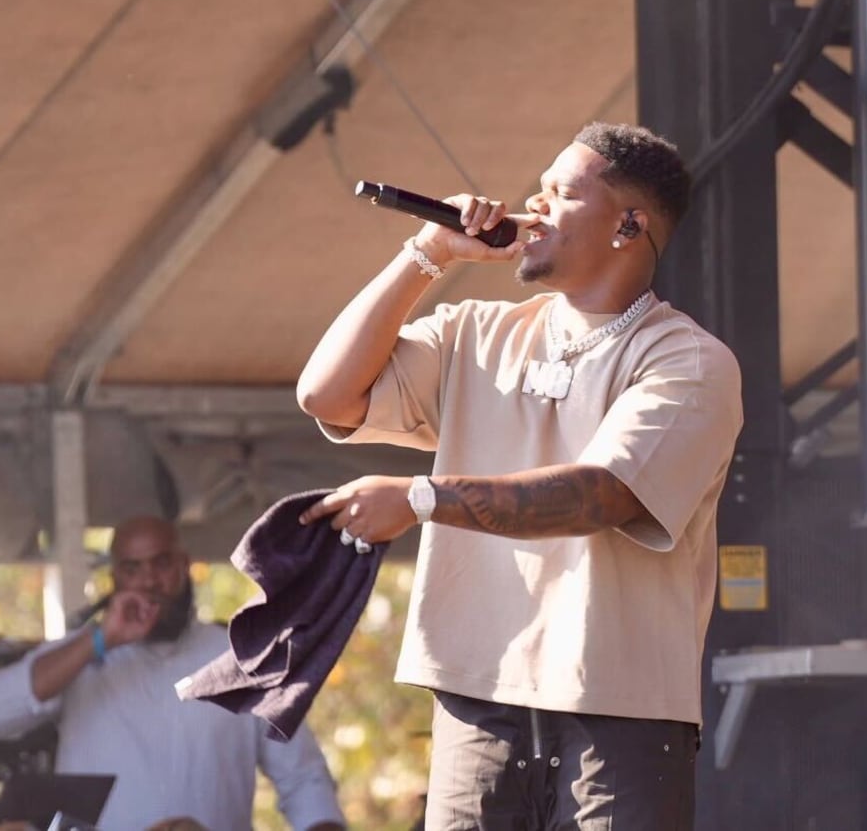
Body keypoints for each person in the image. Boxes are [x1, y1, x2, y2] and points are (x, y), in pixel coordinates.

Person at [295, 122, 744, 830]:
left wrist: (420, 498)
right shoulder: (476, 331)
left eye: (560, 194)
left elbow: (599, 495)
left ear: (630, 225)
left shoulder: (688, 362)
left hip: (618, 710)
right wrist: (429, 251)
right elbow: (326, 395)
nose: (531, 209)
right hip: (478, 694)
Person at [0, 516, 346, 831]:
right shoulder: (80, 654)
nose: (149, 581)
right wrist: (102, 639)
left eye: (161, 563)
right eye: (132, 568)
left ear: (185, 565)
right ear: (114, 577)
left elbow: (303, 780)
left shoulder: (246, 660)